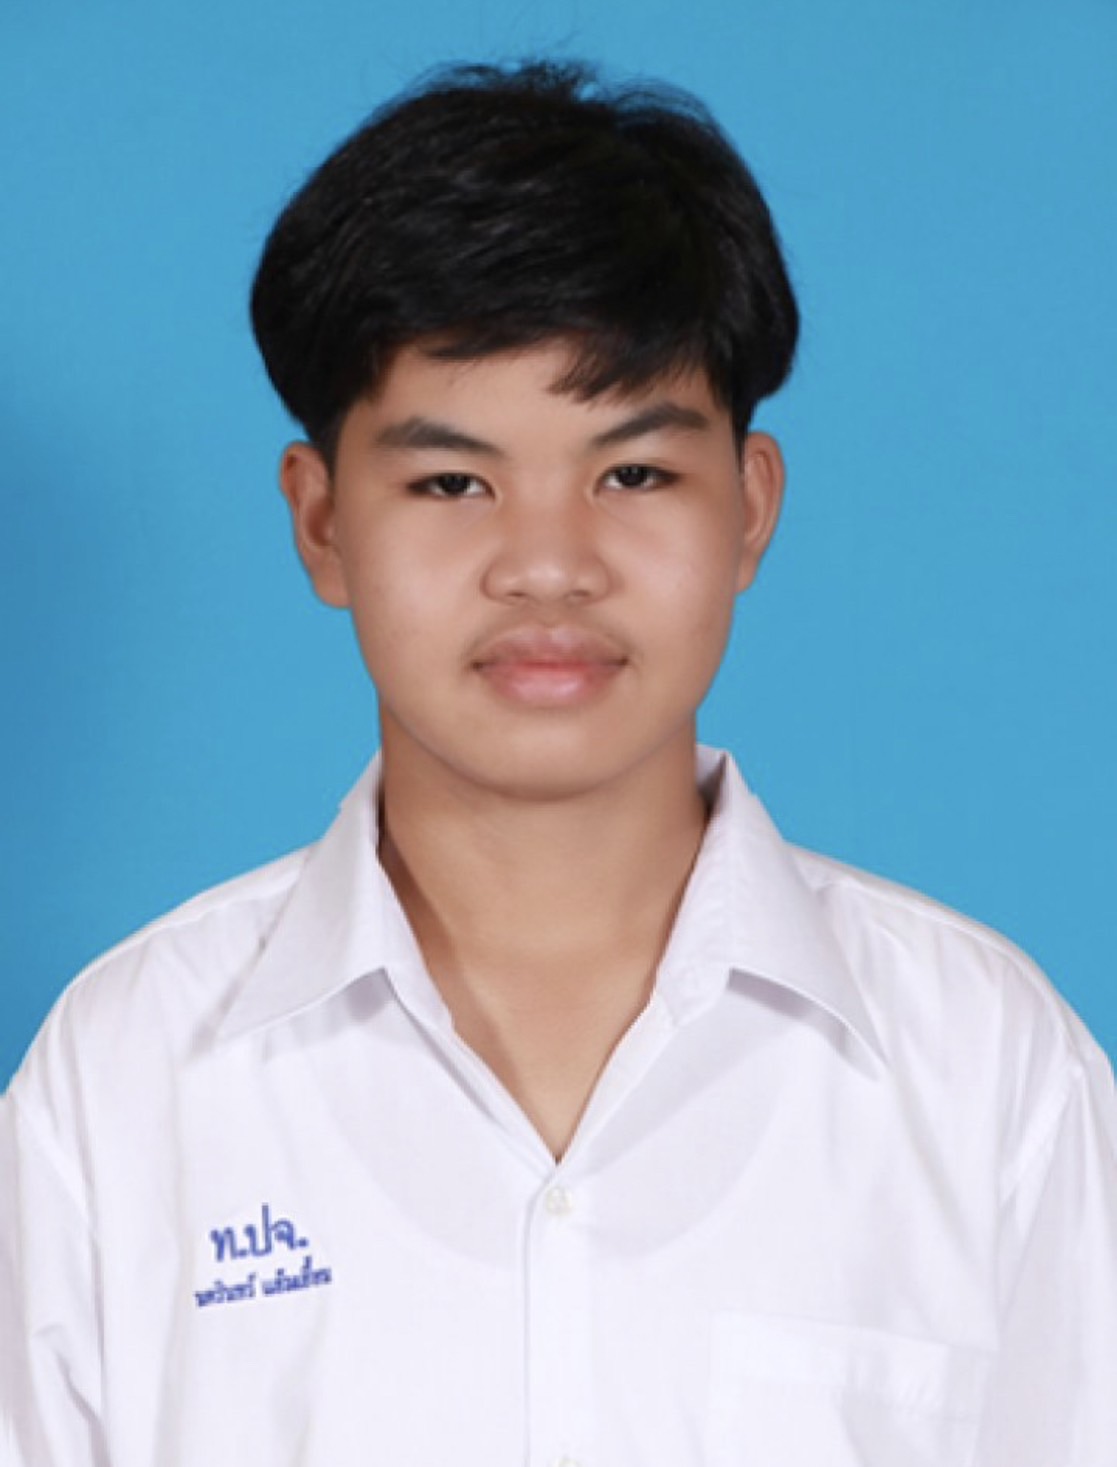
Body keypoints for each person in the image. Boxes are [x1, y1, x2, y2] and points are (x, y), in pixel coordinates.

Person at [2, 59, 1115, 1467]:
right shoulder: (123, 1081)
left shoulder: (984, 1068)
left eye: (632, 474)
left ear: (749, 506)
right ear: (322, 523)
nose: (546, 565)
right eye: (451, 482)